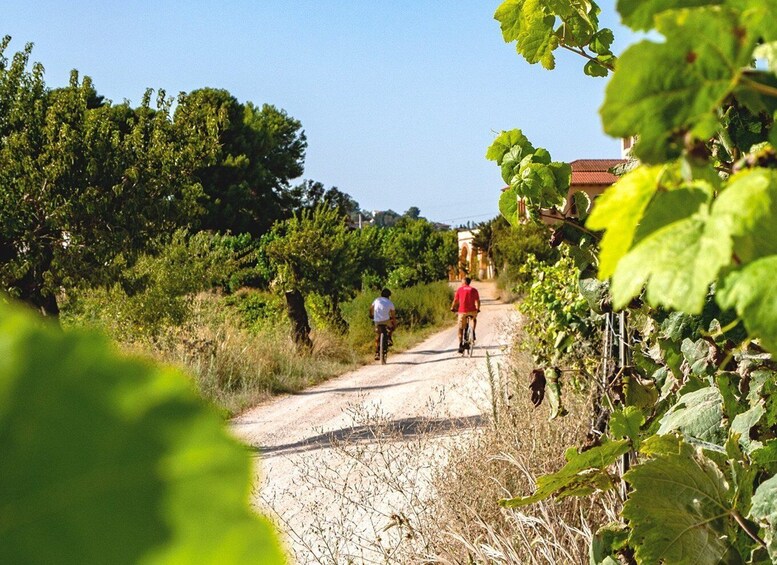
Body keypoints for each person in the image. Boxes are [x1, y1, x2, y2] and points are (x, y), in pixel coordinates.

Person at [451, 277, 480, 353]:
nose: (461, 283)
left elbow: (455, 300)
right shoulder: (474, 290)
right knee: (474, 319)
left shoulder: (460, 289)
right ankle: (473, 331)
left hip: (462, 311)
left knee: (460, 328)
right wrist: (477, 309)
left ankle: (461, 345)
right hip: (472, 311)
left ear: (464, 282)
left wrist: (452, 307)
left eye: (461, 281)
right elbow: (477, 301)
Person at [369, 288, 397, 360]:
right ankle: (389, 338)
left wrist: (371, 315)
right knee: (391, 327)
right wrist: (394, 323)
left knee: (378, 334)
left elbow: (371, 308)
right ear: (389, 296)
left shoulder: (377, 300)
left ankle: (377, 353)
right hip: (386, 320)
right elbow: (393, 315)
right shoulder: (390, 303)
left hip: (377, 320)